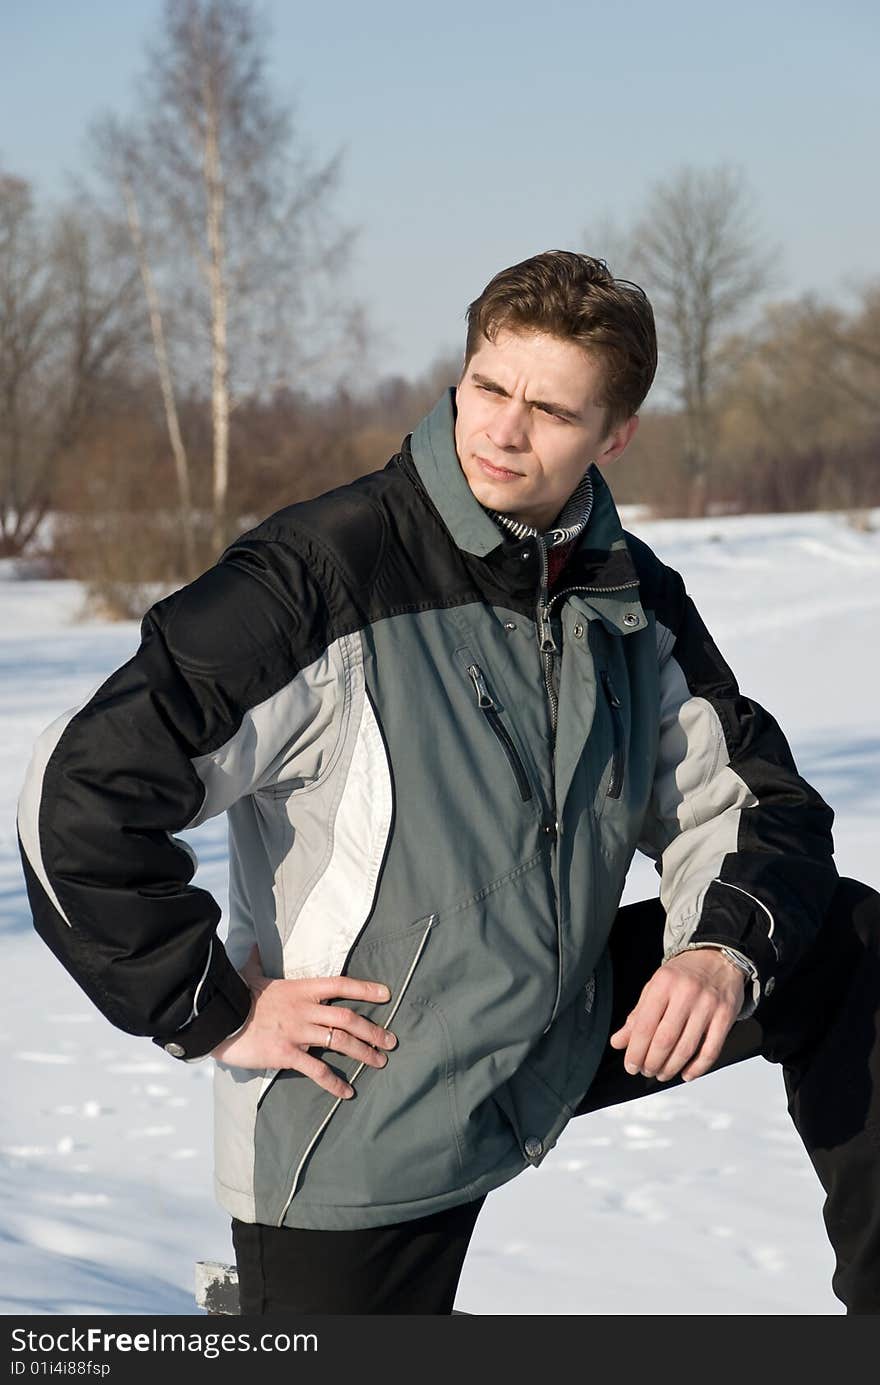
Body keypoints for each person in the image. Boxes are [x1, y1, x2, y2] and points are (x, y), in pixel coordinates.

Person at [16, 251, 880, 1316]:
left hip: (561, 1024)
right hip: (366, 1096)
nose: (503, 431)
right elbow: (82, 793)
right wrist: (214, 1009)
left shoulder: (624, 591)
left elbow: (752, 800)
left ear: (614, 435)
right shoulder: (320, 573)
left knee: (840, 942)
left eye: (551, 410)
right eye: (487, 386)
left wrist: (716, 949)